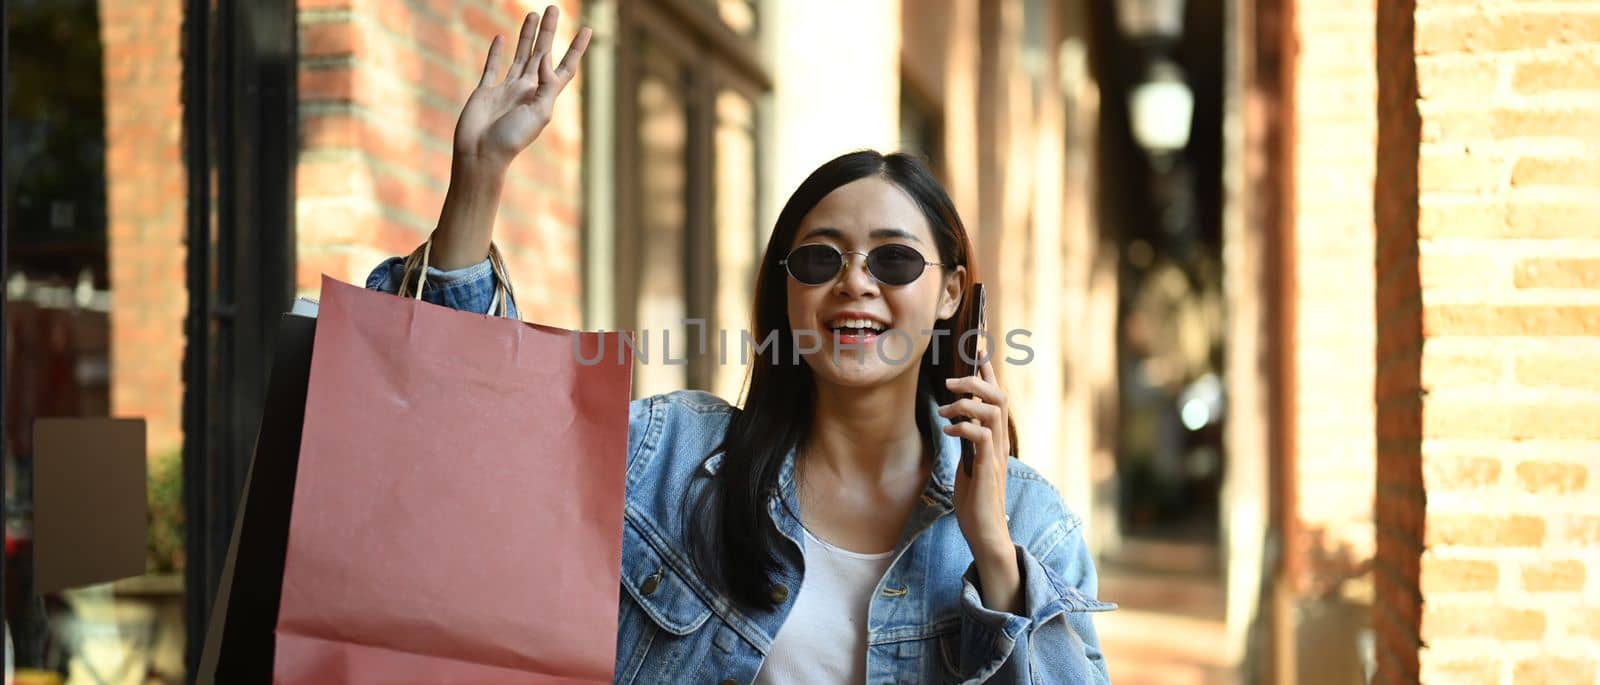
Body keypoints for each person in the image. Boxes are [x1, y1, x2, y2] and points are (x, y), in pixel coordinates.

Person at [366, 7, 1114, 684]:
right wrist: (479, 178)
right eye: (822, 258)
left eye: (893, 259)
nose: (855, 283)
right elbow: (469, 444)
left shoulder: (1030, 520)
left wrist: (994, 556)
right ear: (786, 291)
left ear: (951, 293)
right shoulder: (672, 460)